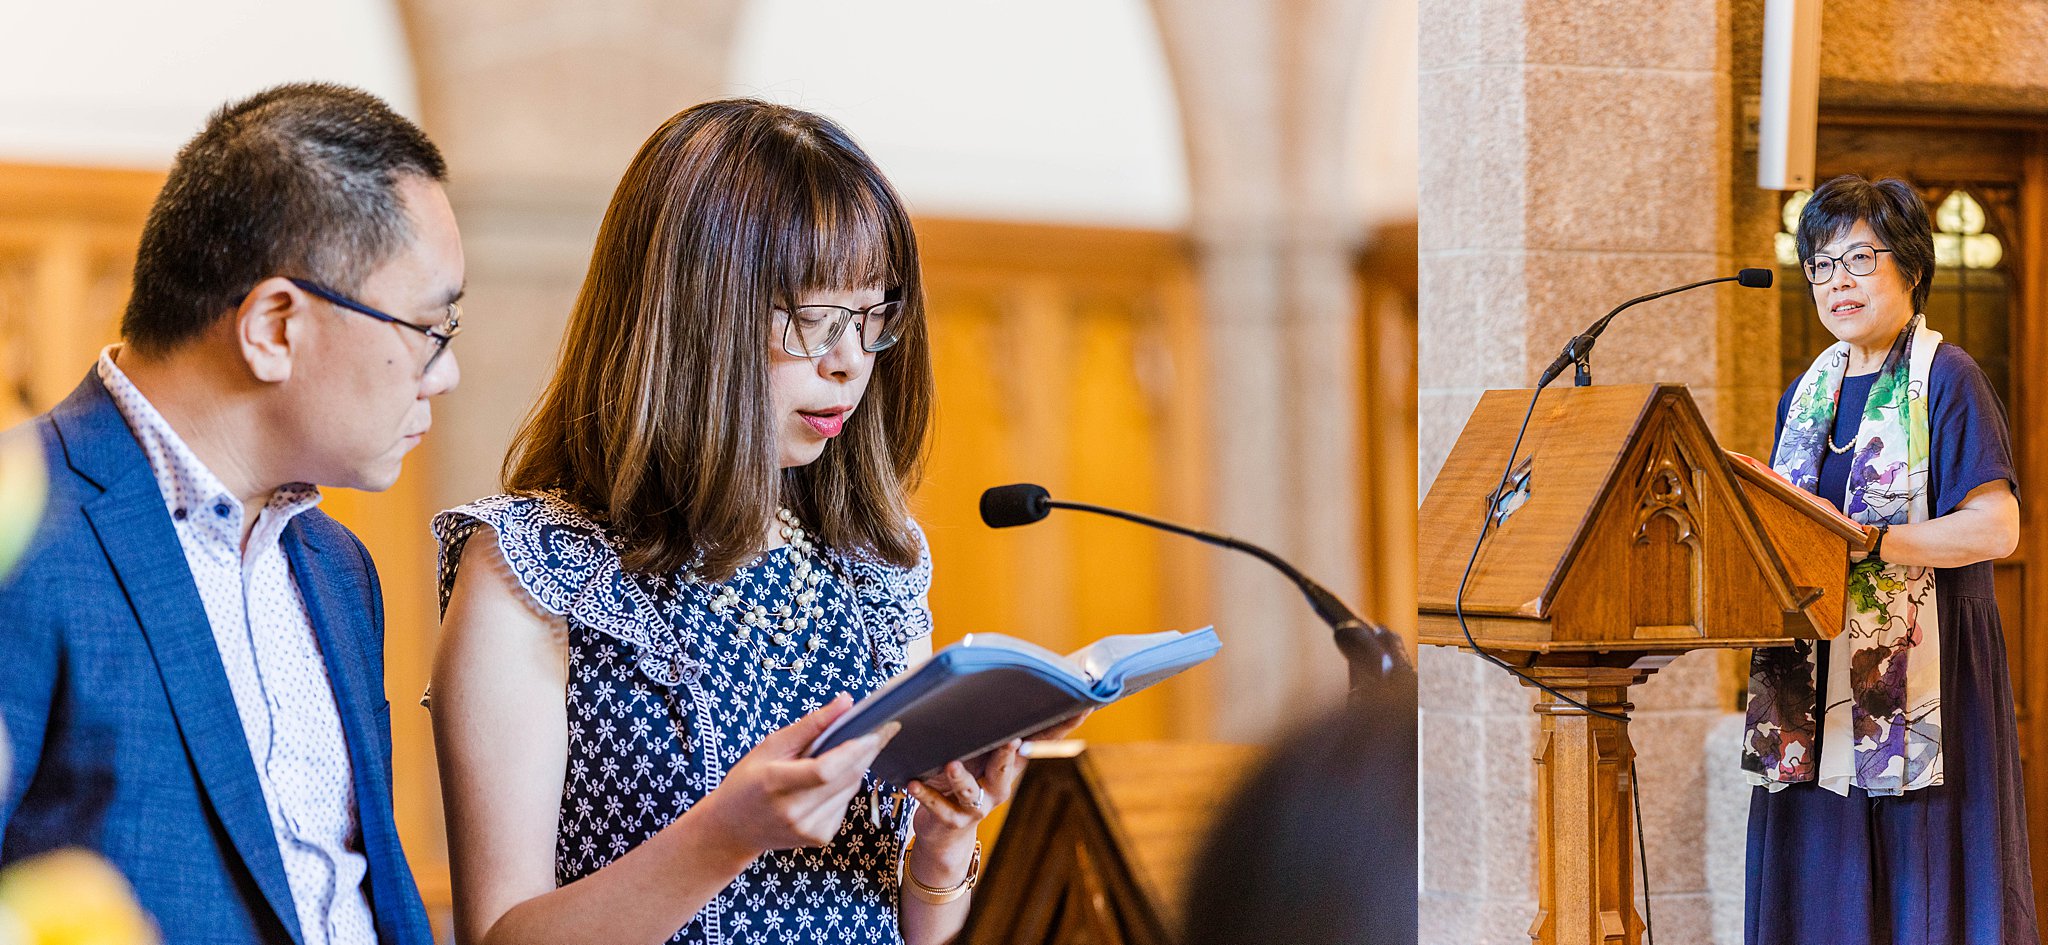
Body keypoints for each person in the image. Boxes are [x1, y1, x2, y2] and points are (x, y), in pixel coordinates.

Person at [431, 99, 1052, 945]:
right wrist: (727, 831)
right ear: (695, 316)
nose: (850, 360)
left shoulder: (874, 564)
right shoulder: (531, 568)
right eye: (814, 318)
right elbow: (500, 937)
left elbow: (906, 930)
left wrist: (944, 846)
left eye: (872, 318)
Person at [0, 83, 460, 944]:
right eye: (430, 329)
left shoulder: (337, 567)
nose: (446, 374)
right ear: (274, 326)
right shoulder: (24, 527)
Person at [1742, 175, 2036, 944]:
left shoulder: (1948, 378)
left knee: (1919, 892)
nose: (1836, 280)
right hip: (1811, 675)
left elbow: (1996, 528)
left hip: (1925, 680)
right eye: (1820, 264)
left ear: (1908, 265)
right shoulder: (1806, 394)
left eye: (1859, 258)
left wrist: (1871, 542)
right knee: (1821, 896)